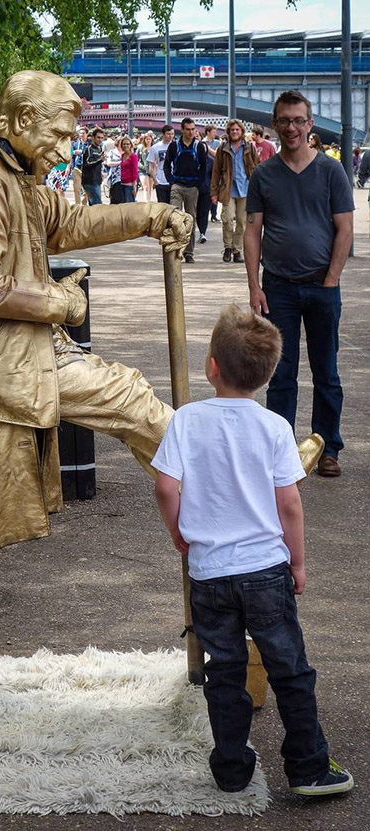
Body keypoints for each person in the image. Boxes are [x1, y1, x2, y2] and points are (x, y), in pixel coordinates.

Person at [0, 69, 193, 552]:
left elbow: (71, 220)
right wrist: (62, 303)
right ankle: (238, 483)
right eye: (57, 135)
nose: (63, 150)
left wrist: (150, 215)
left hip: (6, 349)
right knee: (129, 400)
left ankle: (228, 481)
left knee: (131, 400)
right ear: (22, 118)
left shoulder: (14, 173)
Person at [152, 304, 354, 798]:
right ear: (268, 375)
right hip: (266, 569)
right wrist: (298, 561)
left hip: (209, 571)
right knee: (290, 668)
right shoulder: (274, 428)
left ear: (211, 366)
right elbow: (289, 504)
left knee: (224, 671)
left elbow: (164, 487)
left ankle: (232, 768)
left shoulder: (187, 420)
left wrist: (179, 531)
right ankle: (308, 768)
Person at [245, 89, 354, 478]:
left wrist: (332, 278)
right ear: (274, 125)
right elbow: (252, 231)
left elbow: (345, 228)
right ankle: (281, 450)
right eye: (284, 120)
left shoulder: (330, 171)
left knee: (326, 370)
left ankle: (328, 447)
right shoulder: (264, 174)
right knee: (281, 373)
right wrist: (255, 286)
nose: (291, 127)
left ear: (310, 125)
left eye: (298, 120)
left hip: (322, 287)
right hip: (279, 288)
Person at [210, 118, 258, 263]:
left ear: (242, 131)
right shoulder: (223, 148)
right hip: (228, 190)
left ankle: (237, 250)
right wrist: (213, 192)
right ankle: (228, 247)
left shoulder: (250, 147)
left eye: (237, 130)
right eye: (232, 130)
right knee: (227, 219)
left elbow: (256, 169)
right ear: (229, 132)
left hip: (245, 189)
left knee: (242, 223)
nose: (235, 132)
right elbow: (216, 171)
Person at [164, 118, 207, 264]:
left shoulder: (199, 146)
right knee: (175, 218)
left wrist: (198, 183)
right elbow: (166, 165)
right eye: (188, 129)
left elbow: (204, 167)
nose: (191, 132)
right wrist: (171, 181)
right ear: (182, 130)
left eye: (193, 129)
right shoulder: (174, 146)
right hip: (177, 185)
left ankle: (189, 252)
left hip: (192, 187)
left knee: (191, 219)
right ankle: (176, 250)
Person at [147, 124, 175, 204]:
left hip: (174, 181)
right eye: (168, 134)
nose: (170, 136)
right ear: (163, 134)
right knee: (163, 207)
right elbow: (150, 165)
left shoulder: (176, 146)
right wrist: (155, 181)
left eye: (172, 134)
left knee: (174, 207)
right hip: (161, 181)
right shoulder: (155, 147)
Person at [81, 127, 105, 205]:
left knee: (95, 205)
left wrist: (100, 174)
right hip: (90, 181)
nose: (100, 139)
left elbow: (98, 165)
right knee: (97, 205)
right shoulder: (89, 149)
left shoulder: (100, 148)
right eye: (98, 137)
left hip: (97, 180)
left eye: (102, 138)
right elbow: (88, 164)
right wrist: (100, 160)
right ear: (93, 137)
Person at [70, 127, 89, 205]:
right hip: (77, 168)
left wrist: (81, 151)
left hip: (87, 169)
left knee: (87, 189)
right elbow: (71, 155)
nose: (81, 135)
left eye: (83, 133)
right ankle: (77, 205)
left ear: (87, 134)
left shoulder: (89, 143)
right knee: (76, 188)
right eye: (80, 133)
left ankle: (84, 203)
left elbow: (90, 152)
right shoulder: (74, 144)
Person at [119, 136, 139, 203]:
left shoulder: (133, 156)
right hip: (121, 183)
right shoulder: (122, 155)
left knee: (129, 207)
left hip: (129, 185)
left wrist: (134, 187)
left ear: (131, 145)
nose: (126, 145)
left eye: (127, 144)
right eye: (124, 144)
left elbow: (135, 171)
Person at [137, 132, 155, 202]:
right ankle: (146, 202)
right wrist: (142, 166)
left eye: (149, 139)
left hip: (152, 170)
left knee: (150, 187)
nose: (148, 140)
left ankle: (149, 200)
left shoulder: (154, 148)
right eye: (146, 139)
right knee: (145, 187)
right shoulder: (140, 148)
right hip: (143, 170)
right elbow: (137, 159)